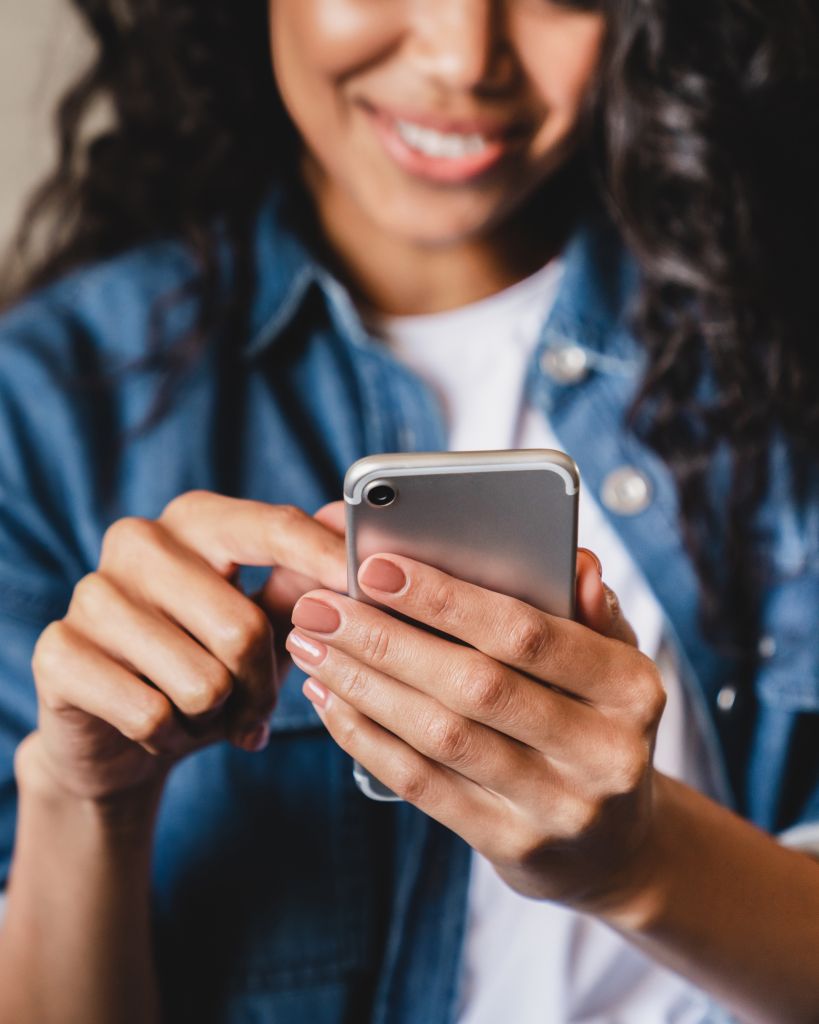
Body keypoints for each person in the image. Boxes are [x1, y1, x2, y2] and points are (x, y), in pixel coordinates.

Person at [0, 1, 817, 1021]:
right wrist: (88, 802)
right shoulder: (43, 408)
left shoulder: (783, 340)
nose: (463, 56)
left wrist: (638, 860)